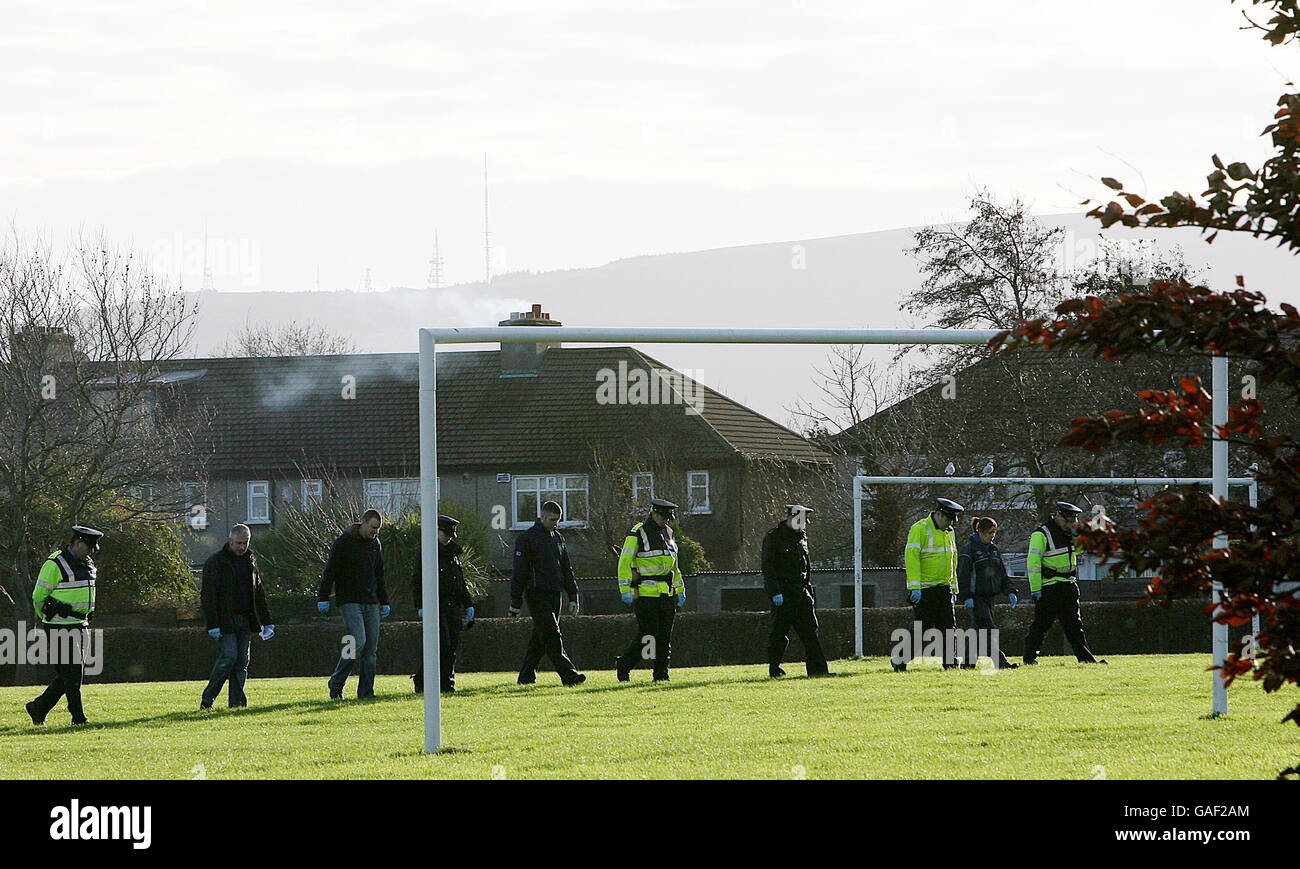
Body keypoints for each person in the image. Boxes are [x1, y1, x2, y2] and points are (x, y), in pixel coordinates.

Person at [26, 526, 102, 727]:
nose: (92, 551)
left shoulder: (87, 563)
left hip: (80, 624)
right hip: (60, 626)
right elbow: (38, 597)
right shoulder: (54, 564)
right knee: (73, 674)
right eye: (89, 546)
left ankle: (38, 708)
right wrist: (47, 619)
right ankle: (78, 718)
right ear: (77, 542)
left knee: (69, 675)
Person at [509, 500, 585, 686]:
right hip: (536, 594)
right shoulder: (526, 539)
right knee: (552, 635)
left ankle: (526, 676)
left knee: (540, 638)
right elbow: (519, 573)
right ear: (542, 516)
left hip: (554, 594)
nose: (555, 523)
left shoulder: (557, 538)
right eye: (552, 519)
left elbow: (567, 569)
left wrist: (573, 595)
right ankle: (569, 675)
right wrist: (516, 602)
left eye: (558, 520)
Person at [200, 524, 276, 709]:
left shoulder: (250, 561)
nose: (242, 547)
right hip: (225, 620)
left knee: (242, 663)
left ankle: (236, 704)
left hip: (245, 619)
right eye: (239, 543)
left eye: (245, 543)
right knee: (229, 658)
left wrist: (267, 622)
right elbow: (208, 596)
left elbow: (259, 593)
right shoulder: (216, 562)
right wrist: (212, 623)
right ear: (230, 541)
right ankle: (208, 699)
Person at [1021, 501, 1107, 665]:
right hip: (1049, 587)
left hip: (1068, 585)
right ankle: (1029, 658)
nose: (1071, 524)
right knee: (1041, 626)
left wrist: (1078, 537)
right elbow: (1033, 564)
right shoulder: (1041, 534)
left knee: (1075, 626)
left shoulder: (1069, 533)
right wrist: (1036, 589)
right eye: (1068, 520)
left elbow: (1082, 551)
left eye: (1073, 520)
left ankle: (1086, 660)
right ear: (1058, 516)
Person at [319, 509, 391, 699]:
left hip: (371, 601)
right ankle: (336, 682)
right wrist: (323, 597)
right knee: (356, 642)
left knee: (371, 649)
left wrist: (384, 601)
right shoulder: (344, 542)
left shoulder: (375, 544)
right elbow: (330, 570)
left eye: (378, 529)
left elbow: (379, 575)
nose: (375, 532)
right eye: (373, 527)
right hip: (349, 600)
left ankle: (366, 692)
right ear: (364, 522)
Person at [615, 498, 686, 682]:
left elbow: (674, 566)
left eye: (669, 518)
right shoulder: (637, 533)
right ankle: (624, 664)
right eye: (663, 517)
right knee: (649, 635)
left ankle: (661, 675)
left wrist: (680, 589)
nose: (666, 521)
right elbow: (625, 562)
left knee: (664, 637)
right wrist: (625, 588)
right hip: (644, 593)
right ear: (653, 514)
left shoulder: (668, 533)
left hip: (665, 593)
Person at [895, 497, 963, 672]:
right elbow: (911, 558)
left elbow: (952, 561)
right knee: (922, 629)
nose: (950, 524)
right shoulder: (919, 529)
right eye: (948, 520)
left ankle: (950, 662)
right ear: (939, 514)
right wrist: (914, 587)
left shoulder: (948, 531)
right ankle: (900, 659)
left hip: (944, 588)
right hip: (925, 590)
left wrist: (954, 587)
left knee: (949, 627)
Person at [762, 504, 830, 678]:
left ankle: (818, 671)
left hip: (801, 594)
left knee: (811, 633)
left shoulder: (802, 538)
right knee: (779, 634)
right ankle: (774, 668)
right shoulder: (774, 537)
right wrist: (774, 592)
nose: (804, 525)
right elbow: (768, 567)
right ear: (790, 518)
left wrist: (809, 592)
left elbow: (806, 568)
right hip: (783, 595)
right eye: (801, 521)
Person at [411, 514, 476, 693]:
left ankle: (447, 684)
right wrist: (420, 605)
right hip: (435, 605)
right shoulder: (426, 552)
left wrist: (468, 603)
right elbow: (417, 580)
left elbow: (460, 581)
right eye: (445, 533)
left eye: (450, 534)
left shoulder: (453, 553)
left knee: (451, 646)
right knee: (441, 645)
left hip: (453, 605)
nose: (448, 537)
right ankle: (425, 680)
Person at [956, 517, 1018, 670]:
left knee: (977, 631)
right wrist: (966, 596)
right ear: (981, 532)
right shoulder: (969, 551)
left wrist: (1010, 591)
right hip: (976, 598)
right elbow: (962, 576)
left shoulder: (993, 550)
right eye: (990, 533)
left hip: (990, 598)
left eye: (994, 533)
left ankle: (968, 664)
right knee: (988, 630)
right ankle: (1001, 662)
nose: (992, 536)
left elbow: (1001, 574)